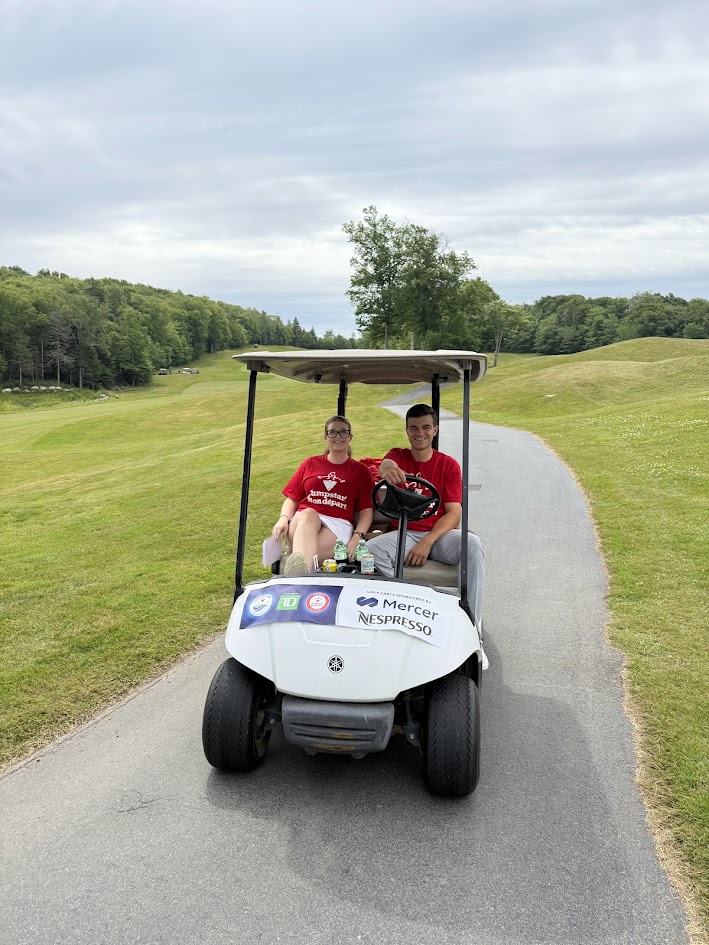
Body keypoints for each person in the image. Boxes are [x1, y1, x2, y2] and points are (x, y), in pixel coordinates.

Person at [366, 404, 485, 627]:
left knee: (473, 544)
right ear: (407, 431)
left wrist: (428, 542)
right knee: (371, 550)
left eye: (426, 427)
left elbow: (454, 513)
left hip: (438, 535)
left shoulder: (448, 465)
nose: (420, 433)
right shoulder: (398, 456)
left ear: (435, 430)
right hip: (403, 533)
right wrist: (387, 467)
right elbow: (387, 464)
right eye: (414, 428)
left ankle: (472, 624)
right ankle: (412, 603)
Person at [272, 416, 374, 575]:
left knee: (306, 554)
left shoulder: (361, 471)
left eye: (343, 432)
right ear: (326, 437)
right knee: (309, 514)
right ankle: (303, 576)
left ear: (350, 437)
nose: (338, 437)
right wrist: (283, 518)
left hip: (337, 525)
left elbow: (366, 510)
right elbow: (292, 497)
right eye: (332, 432)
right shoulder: (310, 463)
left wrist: (357, 536)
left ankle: (300, 576)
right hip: (302, 522)